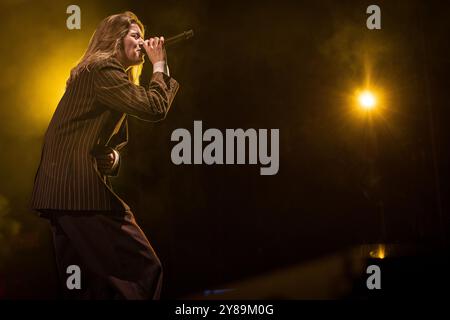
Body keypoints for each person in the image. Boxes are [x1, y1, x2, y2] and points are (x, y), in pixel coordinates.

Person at [29, 11, 179, 299]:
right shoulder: (102, 71)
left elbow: (80, 134)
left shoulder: (102, 76)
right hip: (76, 189)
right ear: (114, 39)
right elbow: (154, 107)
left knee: (86, 287)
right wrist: (160, 64)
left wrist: (112, 156)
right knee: (144, 268)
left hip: (61, 192)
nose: (142, 41)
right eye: (135, 35)